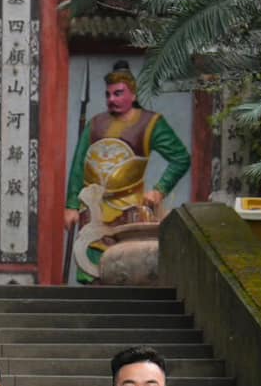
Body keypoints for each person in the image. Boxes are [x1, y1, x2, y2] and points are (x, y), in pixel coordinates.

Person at [63, 63, 190, 282]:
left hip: (129, 207)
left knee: (127, 270)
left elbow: (180, 158)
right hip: (93, 208)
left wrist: (159, 190)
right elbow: (78, 165)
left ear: (132, 94)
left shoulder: (151, 123)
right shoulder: (95, 124)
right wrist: (72, 205)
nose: (112, 99)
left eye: (118, 93)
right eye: (108, 94)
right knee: (90, 272)